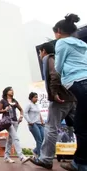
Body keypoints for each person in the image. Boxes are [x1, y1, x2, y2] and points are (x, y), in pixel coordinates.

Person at [29, 41, 76, 170]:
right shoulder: (64, 58)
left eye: (39, 52)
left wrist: (54, 93)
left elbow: (54, 74)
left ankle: (46, 159)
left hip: (60, 99)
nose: (39, 55)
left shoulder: (48, 58)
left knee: (50, 128)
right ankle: (81, 161)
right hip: (72, 97)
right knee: (79, 129)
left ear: (43, 51)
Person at [52, 13, 87, 171]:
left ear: (59, 31)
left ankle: (80, 163)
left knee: (81, 125)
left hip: (78, 82)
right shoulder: (82, 44)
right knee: (82, 123)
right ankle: (80, 163)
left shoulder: (61, 43)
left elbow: (58, 68)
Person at [0, 87, 30, 164]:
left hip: (15, 122)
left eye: (12, 90)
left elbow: (21, 110)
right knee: (15, 138)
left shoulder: (14, 101)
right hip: (8, 122)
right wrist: (5, 110)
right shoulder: (3, 101)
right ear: (6, 92)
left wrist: (21, 116)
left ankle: (6, 157)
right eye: (10, 90)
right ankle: (21, 157)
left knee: (10, 139)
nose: (12, 91)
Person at [24, 92, 44, 159]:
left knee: (43, 139)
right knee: (39, 140)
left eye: (37, 97)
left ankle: (35, 151)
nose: (36, 98)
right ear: (31, 98)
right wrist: (29, 121)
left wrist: (42, 121)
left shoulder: (36, 105)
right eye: (35, 97)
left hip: (40, 124)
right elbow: (25, 113)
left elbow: (39, 114)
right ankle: (39, 157)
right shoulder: (29, 105)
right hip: (33, 124)